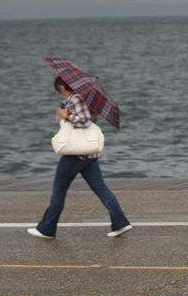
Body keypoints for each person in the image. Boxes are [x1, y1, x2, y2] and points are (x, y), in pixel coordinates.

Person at [27, 77, 133, 239]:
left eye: (59, 89)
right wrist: (62, 115)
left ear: (62, 87)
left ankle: (47, 228)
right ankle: (120, 222)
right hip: (88, 155)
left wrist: (67, 116)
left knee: (59, 191)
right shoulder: (74, 100)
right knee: (101, 189)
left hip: (76, 155)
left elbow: (84, 121)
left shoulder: (76, 99)